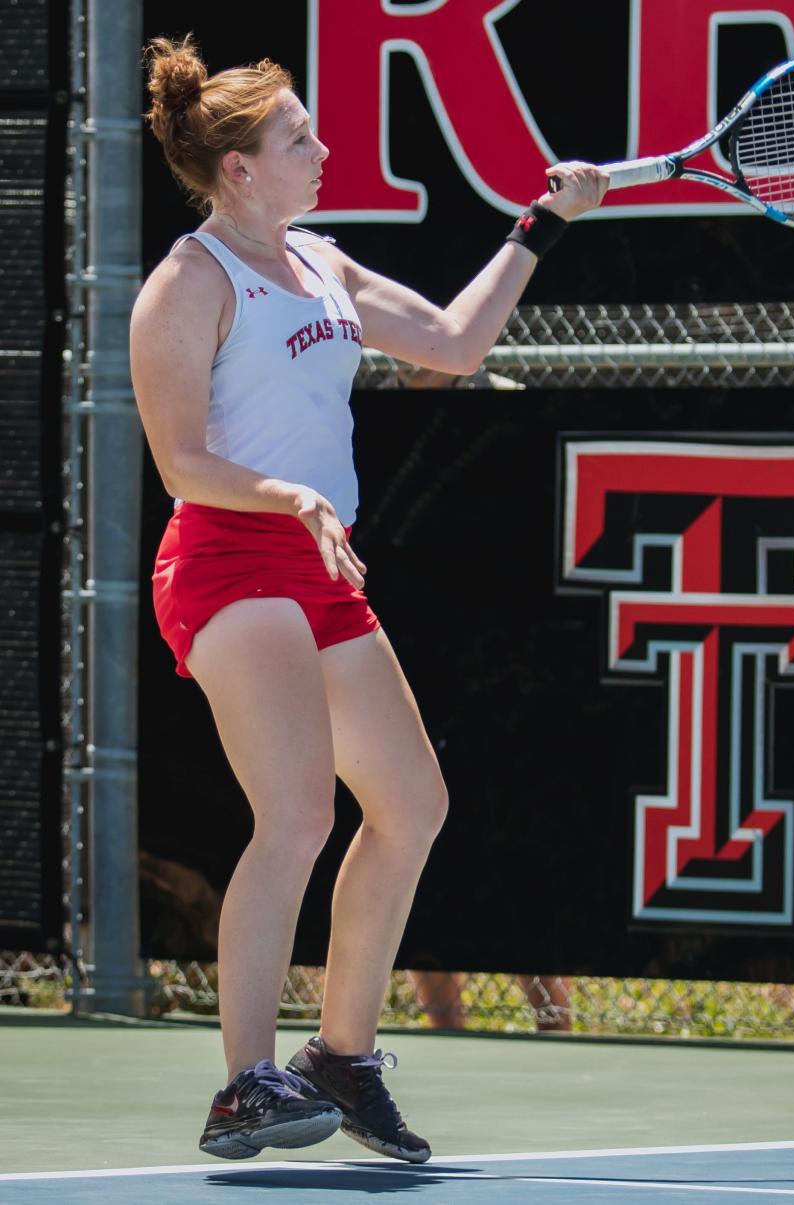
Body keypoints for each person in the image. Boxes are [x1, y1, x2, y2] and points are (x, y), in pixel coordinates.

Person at [132, 33, 608, 1164]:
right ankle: (243, 1083)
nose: (322, 147)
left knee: (412, 803)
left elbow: (454, 341)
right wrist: (287, 491)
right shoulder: (187, 284)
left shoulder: (324, 263)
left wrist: (541, 224)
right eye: (298, 137)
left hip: (317, 563)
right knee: (298, 813)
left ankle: (340, 1056)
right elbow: (180, 461)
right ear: (239, 168)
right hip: (225, 559)